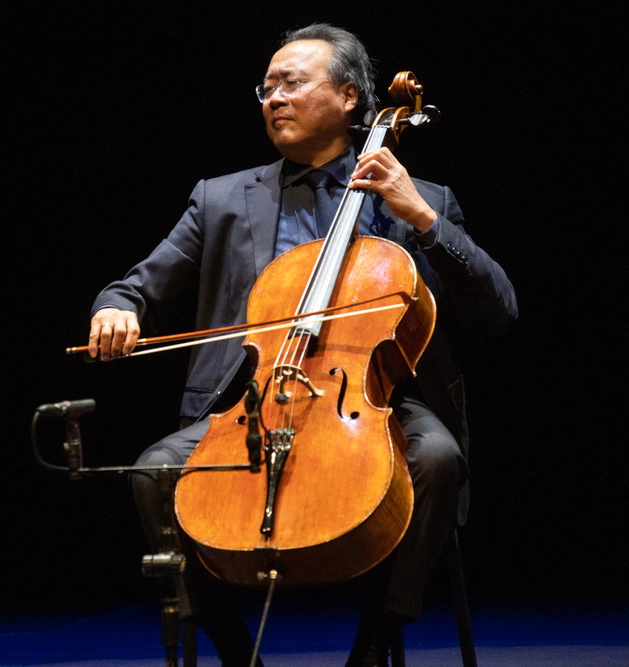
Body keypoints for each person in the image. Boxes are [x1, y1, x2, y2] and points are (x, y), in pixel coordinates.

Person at [86, 22, 517, 667]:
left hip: (375, 400)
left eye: (291, 83)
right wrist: (116, 309)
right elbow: (137, 285)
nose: (274, 98)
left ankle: (373, 645)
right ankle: (239, 656)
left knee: (436, 458)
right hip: (255, 404)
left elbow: (498, 310)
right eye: (266, 88)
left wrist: (421, 218)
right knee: (156, 471)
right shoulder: (221, 199)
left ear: (349, 97)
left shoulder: (421, 200)